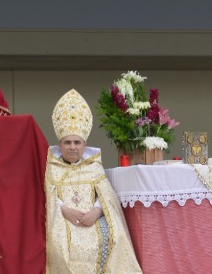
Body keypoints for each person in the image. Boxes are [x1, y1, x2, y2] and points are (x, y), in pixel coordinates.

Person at [45, 89, 141, 273]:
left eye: (77, 142)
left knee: (117, 237)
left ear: (84, 145)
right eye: (67, 142)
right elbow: (47, 197)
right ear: (60, 145)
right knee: (57, 244)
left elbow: (107, 197)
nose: (72, 147)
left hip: (92, 219)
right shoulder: (50, 167)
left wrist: (96, 212)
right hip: (63, 219)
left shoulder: (93, 166)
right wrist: (65, 210)